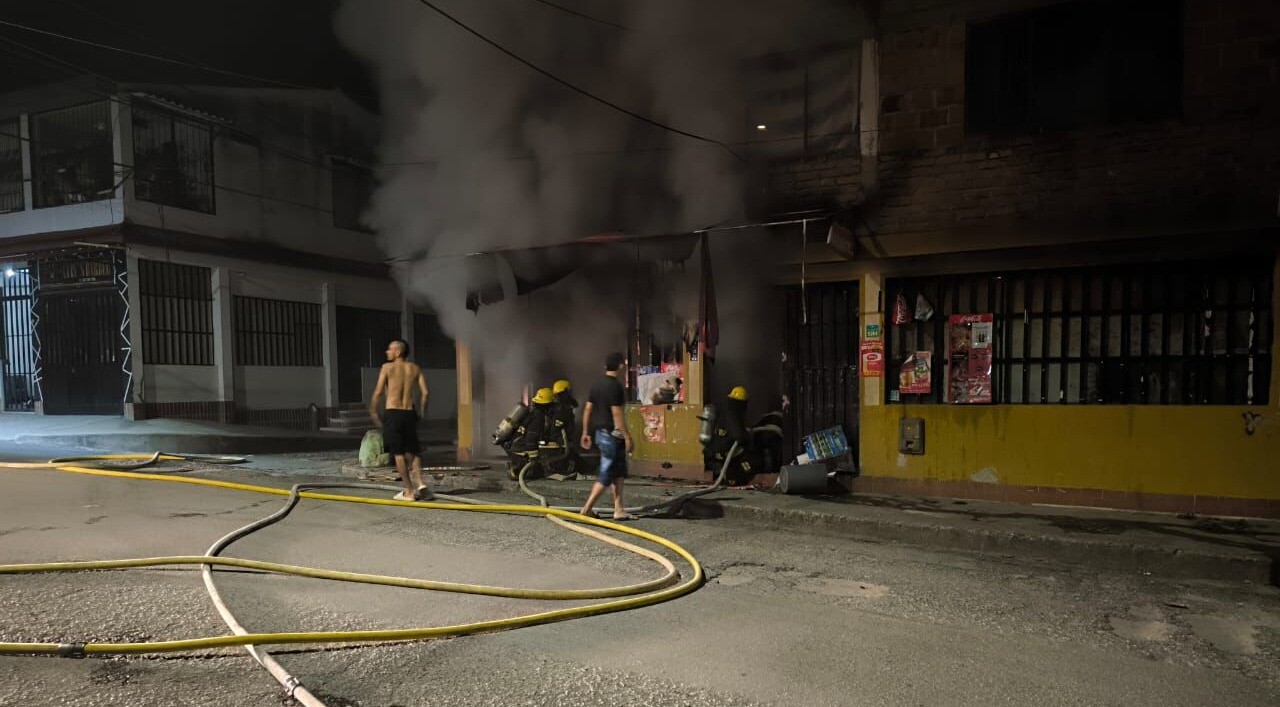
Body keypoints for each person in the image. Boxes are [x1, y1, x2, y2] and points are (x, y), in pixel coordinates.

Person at [369, 339, 433, 501]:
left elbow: (378, 393)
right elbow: (425, 393)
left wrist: (373, 411)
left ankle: (409, 491)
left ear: (398, 352)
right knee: (413, 451)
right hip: (409, 413)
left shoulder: (387, 368)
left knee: (398, 453)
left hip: (393, 413)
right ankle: (420, 484)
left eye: (389, 349)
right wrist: (422, 411)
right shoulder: (415, 368)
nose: (387, 352)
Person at [579, 352, 634, 520]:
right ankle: (586, 509)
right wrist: (627, 437)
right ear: (620, 366)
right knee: (606, 475)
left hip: (600, 434)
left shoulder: (597, 384)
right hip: (611, 435)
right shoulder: (615, 387)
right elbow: (616, 413)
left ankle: (618, 509)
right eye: (623, 363)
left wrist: (585, 432)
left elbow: (588, 409)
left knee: (618, 473)